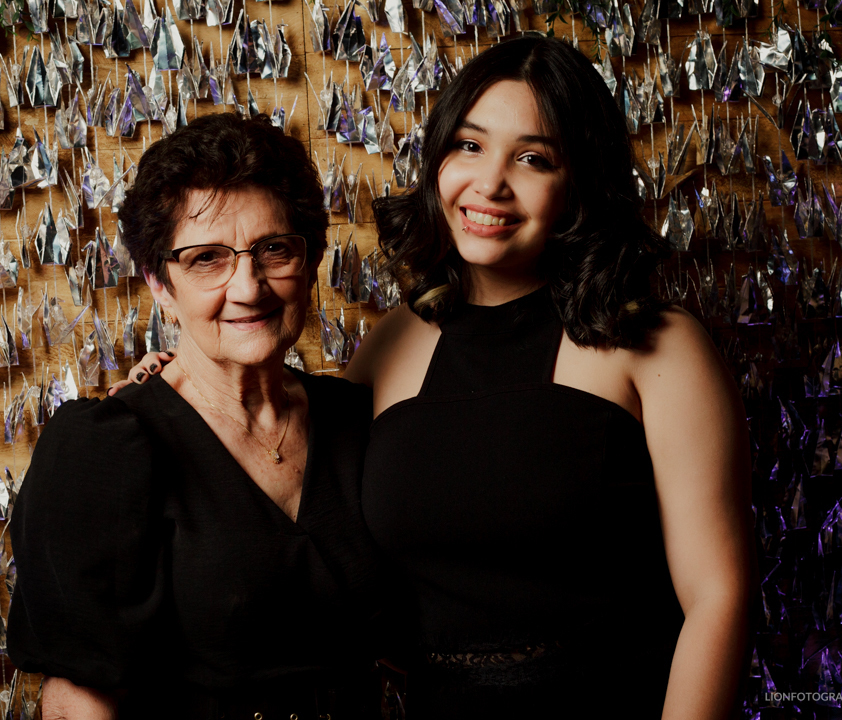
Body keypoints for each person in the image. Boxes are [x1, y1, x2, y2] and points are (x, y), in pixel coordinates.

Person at [124, 35, 753, 719]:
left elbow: (718, 598)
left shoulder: (657, 345)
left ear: (580, 181)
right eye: (469, 146)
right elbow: (286, 456)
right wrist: (178, 387)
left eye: (534, 158)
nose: (490, 184)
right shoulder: (395, 342)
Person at [8, 112, 384, 720]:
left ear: (311, 260)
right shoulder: (104, 449)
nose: (248, 287)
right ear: (160, 284)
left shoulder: (357, 417)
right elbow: (80, 696)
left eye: (274, 249)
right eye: (207, 258)